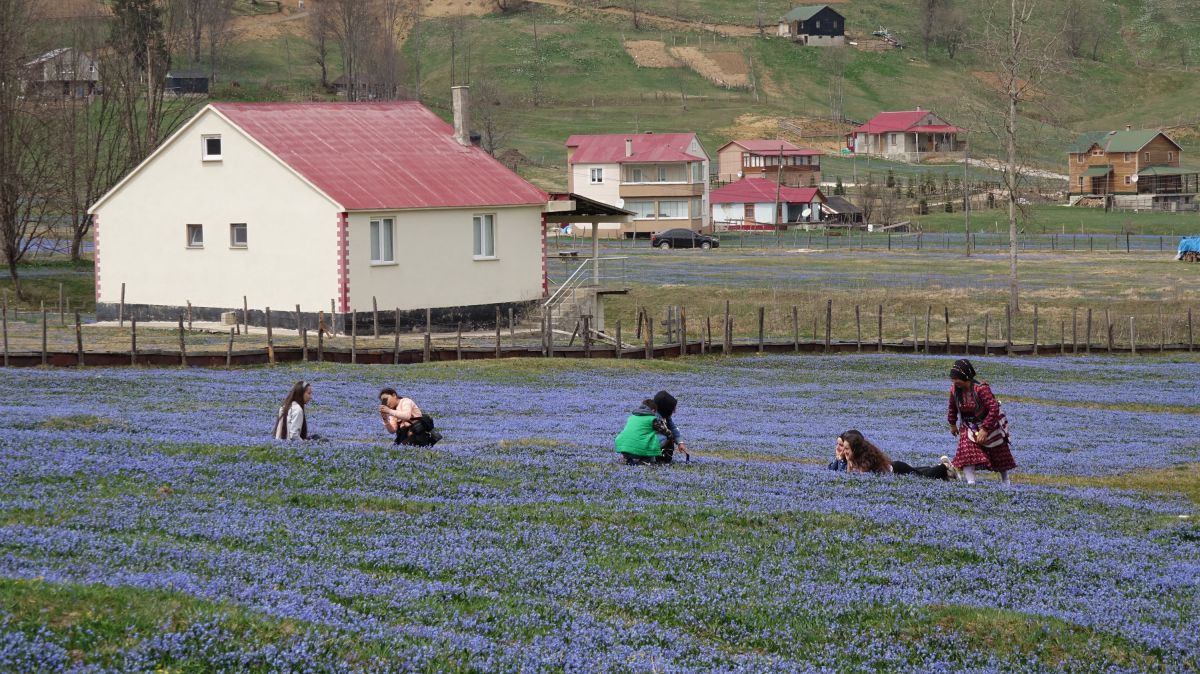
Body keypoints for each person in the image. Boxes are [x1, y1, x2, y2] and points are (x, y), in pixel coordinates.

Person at [947, 359, 1016, 485]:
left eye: (957, 378)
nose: (955, 382)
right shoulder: (954, 391)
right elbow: (952, 407)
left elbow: (994, 408)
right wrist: (952, 424)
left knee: (999, 453)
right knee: (967, 450)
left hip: (989, 423)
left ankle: (1006, 481)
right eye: (953, 379)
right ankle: (971, 483)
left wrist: (985, 429)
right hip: (968, 425)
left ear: (966, 376)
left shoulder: (981, 389)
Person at [837, 430, 953, 479]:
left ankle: (944, 467)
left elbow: (863, 476)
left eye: (847, 448)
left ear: (855, 449)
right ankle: (942, 467)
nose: (844, 451)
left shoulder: (865, 460)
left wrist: (849, 461)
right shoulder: (855, 458)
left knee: (923, 477)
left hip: (898, 468)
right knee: (920, 470)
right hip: (892, 467)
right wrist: (848, 460)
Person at [614, 398, 673, 465]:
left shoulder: (632, 417)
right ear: (653, 410)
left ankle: (627, 458)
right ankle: (646, 459)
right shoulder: (652, 419)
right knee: (664, 437)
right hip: (638, 451)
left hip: (623, 448)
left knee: (634, 437)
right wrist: (670, 436)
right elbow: (664, 431)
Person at [652, 390, 690, 462]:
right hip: (644, 445)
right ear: (665, 408)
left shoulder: (664, 415)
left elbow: (673, 427)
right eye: (672, 409)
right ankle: (656, 458)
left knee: (669, 435)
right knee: (669, 437)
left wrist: (680, 442)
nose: (674, 411)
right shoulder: (653, 418)